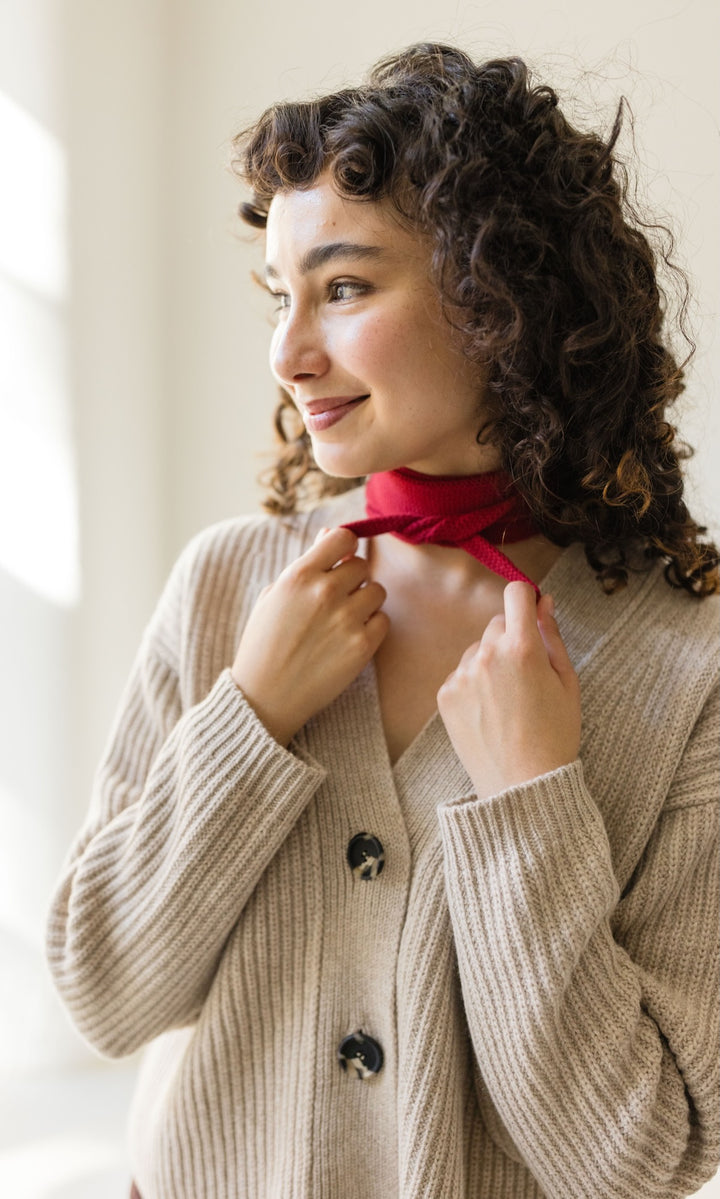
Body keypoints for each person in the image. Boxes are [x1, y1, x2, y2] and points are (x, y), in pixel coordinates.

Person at [46, 43, 719, 1199]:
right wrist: (247, 722)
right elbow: (104, 988)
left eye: (345, 287)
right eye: (279, 296)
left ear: (500, 295)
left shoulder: (685, 665)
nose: (288, 351)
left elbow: (634, 1159)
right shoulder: (228, 585)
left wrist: (530, 804)